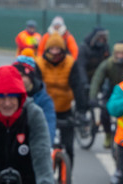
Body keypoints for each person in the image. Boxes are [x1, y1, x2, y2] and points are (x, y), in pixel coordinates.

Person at [36, 31, 88, 164]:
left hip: (64, 109)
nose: (54, 53)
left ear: (63, 50)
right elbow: (35, 88)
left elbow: (77, 87)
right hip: (43, 110)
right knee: (41, 145)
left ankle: (66, 177)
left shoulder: (70, 63)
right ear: (47, 49)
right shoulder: (39, 64)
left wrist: (81, 111)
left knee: (68, 147)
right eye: (52, 49)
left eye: (58, 49)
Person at [89, 40, 123, 148]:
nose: (121, 56)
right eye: (118, 53)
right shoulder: (108, 64)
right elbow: (97, 79)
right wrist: (93, 97)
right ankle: (108, 134)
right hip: (111, 90)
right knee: (104, 112)